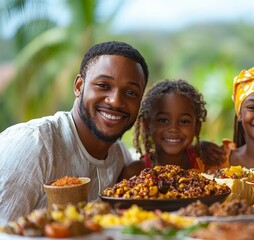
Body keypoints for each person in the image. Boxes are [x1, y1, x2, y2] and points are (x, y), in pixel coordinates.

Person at [0, 41, 149, 225]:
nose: (116, 101)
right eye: (103, 85)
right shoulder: (33, 145)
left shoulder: (119, 156)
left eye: (131, 92)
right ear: (79, 86)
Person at [119, 79, 225, 180]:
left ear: (197, 127)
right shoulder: (135, 172)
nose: (173, 129)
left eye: (184, 121)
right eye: (163, 120)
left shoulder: (206, 162)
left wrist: (200, 147)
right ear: (147, 125)